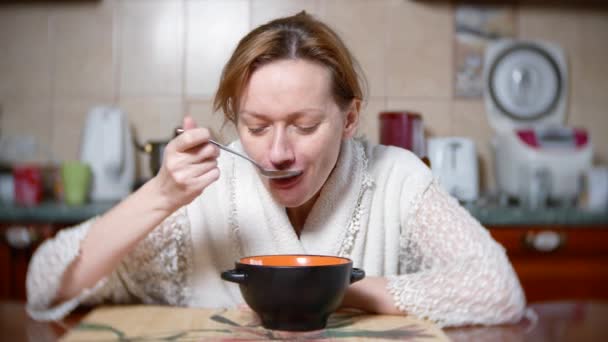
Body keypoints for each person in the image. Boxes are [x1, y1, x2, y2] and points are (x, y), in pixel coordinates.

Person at [26, 12, 525, 327]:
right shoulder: (203, 192)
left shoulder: (398, 177)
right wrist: (159, 195)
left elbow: (498, 290)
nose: (277, 153)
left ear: (349, 118)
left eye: (305, 125)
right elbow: (46, 283)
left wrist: (341, 292)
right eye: (256, 125)